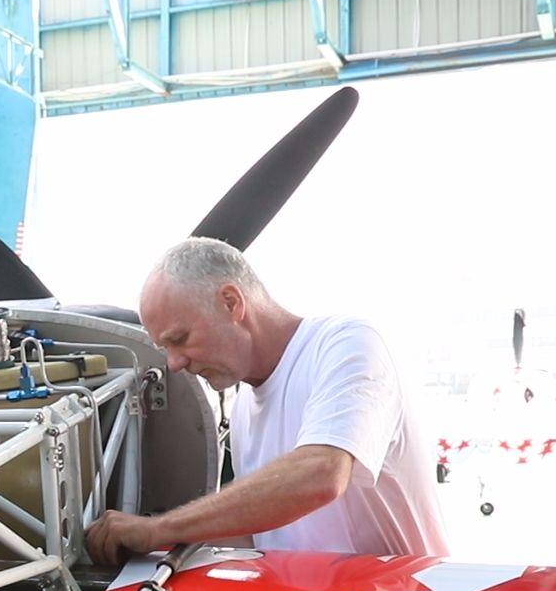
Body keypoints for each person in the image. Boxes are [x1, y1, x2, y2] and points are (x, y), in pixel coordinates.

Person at [84, 237, 448, 562]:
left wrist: (158, 529)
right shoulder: (244, 404)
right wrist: (148, 550)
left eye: (180, 339)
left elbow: (321, 474)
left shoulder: (345, 344)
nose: (175, 364)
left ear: (231, 302)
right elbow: (258, 532)